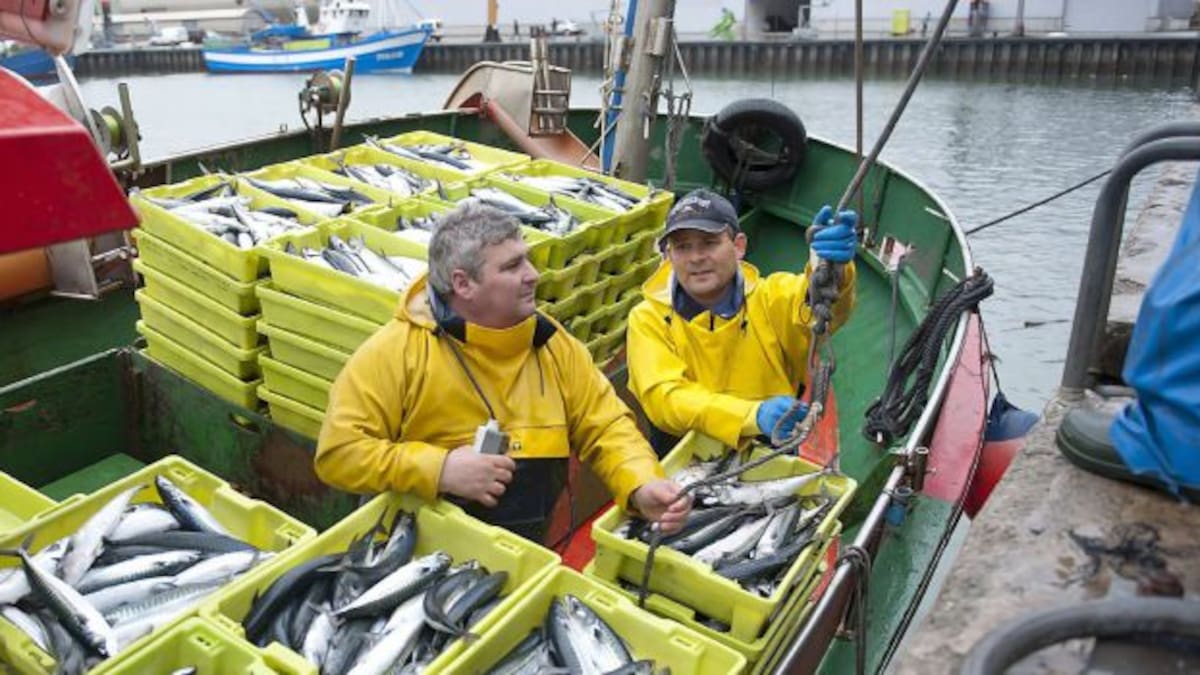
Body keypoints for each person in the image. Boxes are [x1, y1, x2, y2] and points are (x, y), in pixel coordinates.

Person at [316, 201, 690, 543]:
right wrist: (439, 469)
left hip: (520, 552)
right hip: (408, 556)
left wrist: (641, 482)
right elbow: (339, 454)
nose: (533, 275)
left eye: (526, 259)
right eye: (512, 266)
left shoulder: (552, 342)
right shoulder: (393, 353)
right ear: (463, 284)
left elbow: (606, 425)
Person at [626, 189, 858, 456]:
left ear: (739, 246)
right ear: (668, 255)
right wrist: (752, 415)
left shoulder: (772, 298)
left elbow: (820, 306)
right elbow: (665, 399)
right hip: (681, 453)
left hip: (770, 445)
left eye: (709, 243)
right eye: (682, 246)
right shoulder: (647, 319)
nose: (696, 257)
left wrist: (835, 269)